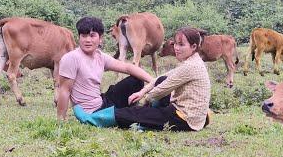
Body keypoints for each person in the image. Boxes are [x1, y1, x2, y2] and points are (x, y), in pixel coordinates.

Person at [74, 26, 212, 132]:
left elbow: (160, 91)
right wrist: (141, 92)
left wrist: (144, 102)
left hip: (183, 117)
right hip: (187, 113)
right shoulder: (193, 62)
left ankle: (91, 119)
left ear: (193, 47)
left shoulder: (190, 66)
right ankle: (149, 116)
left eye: (181, 45)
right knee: (160, 80)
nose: (176, 48)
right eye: (175, 44)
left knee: (135, 112)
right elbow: (163, 78)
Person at [56, 16, 154, 121]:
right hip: (92, 112)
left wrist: (153, 81)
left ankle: (130, 108)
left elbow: (127, 67)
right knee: (133, 116)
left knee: (136, 80)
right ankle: (131, 111)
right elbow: (64, 90)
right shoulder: (71, 58)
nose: (87, 40)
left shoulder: (100, 56)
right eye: (84, 36)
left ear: (100, 39)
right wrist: (60, 120)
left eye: (92, 36)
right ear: (79, 37)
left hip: (102, 101)